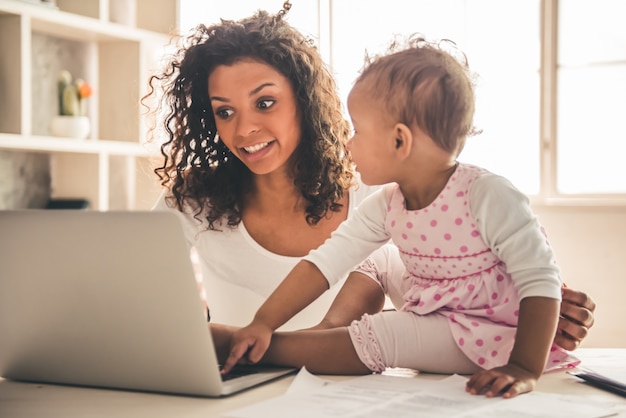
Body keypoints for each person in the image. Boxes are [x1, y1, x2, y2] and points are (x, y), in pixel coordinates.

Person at [144, 6, 594, 361]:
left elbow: (451, 290)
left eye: (264, 102)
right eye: (224, 111)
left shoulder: (379, 193)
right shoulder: (191, 200)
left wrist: (530, 307)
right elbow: (140, 312)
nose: (243, 130)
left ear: (303, 100)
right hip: (237, 393)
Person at [218, 34, 588, 399]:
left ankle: (268, 351)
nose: (348, 143)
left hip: (483, 326)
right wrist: (264, 320)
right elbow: (325, 263)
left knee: (389, 332)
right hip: (432, 296)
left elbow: (540, 279)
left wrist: (524, 367)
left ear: (400, 141)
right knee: (375, 259)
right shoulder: (387, 203)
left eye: (358, 131)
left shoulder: (487, 194)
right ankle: (306, 334)